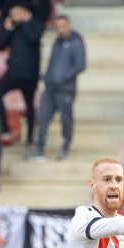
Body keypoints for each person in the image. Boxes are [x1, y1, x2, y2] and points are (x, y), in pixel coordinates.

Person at [34, 13, 85, 160]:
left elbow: (80, 65)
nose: (61, 30)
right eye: (58, 27)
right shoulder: (56, 42)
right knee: (42, 117)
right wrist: (47, 76)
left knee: (66, 119)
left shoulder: (76, 42)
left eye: (63, 26)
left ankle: (65, 146)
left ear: (69, 25)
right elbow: (52, 63)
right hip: (50, 88)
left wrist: (63, 78)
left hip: (65, 89)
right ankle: (40, 148)